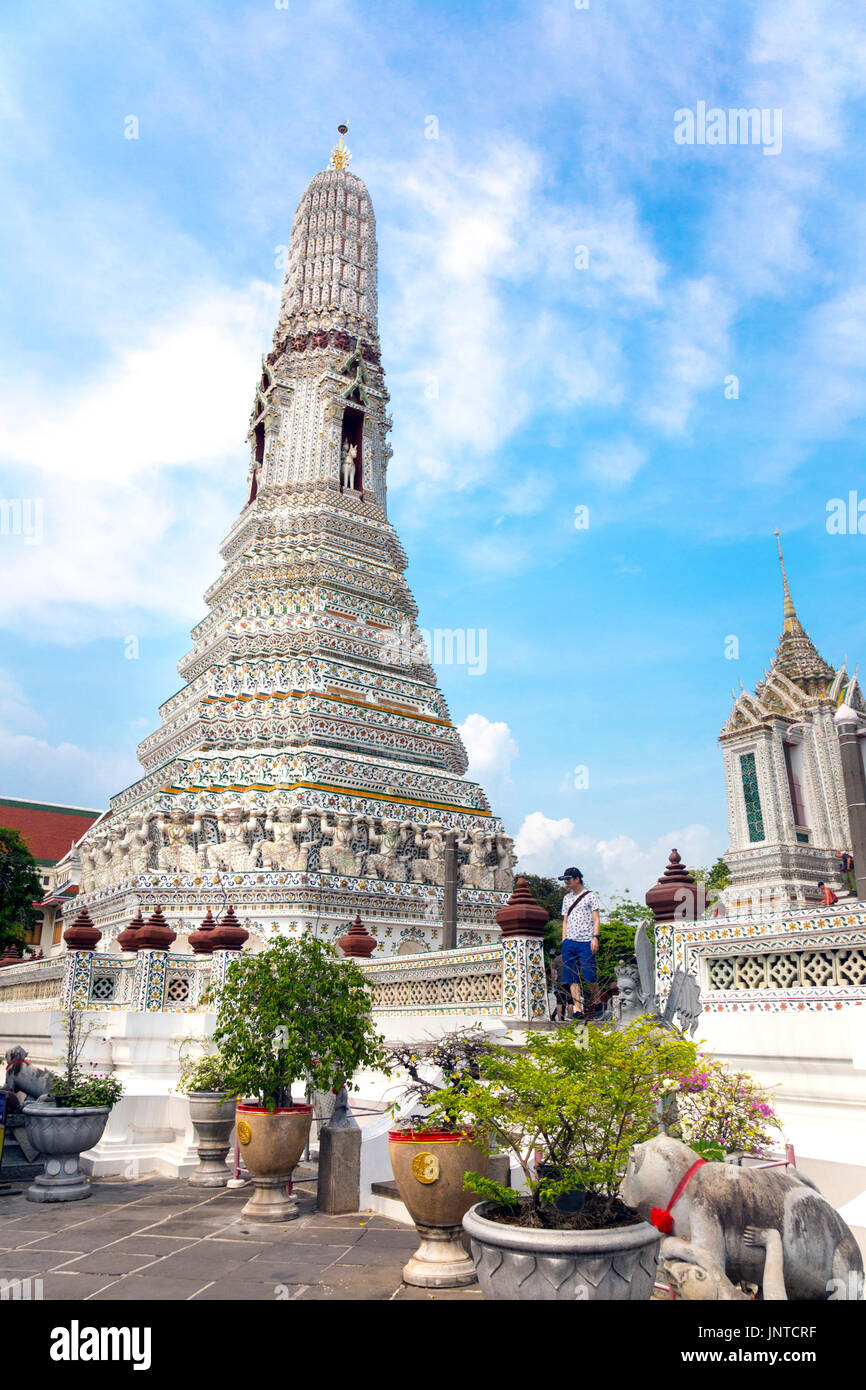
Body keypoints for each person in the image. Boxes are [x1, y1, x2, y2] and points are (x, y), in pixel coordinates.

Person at [559, 866, 602, 1022]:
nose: (566, 883)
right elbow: (565, 920)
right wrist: (564, 939)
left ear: (577, 879)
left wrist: (595, 937)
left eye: (568, 880)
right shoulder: (566, 898)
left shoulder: (590, 896)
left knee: (589, 974)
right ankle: (578, 1009)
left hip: (586, 940)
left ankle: (597, 1001)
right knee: (572, 977)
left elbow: (596, 918)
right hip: (570, 941)